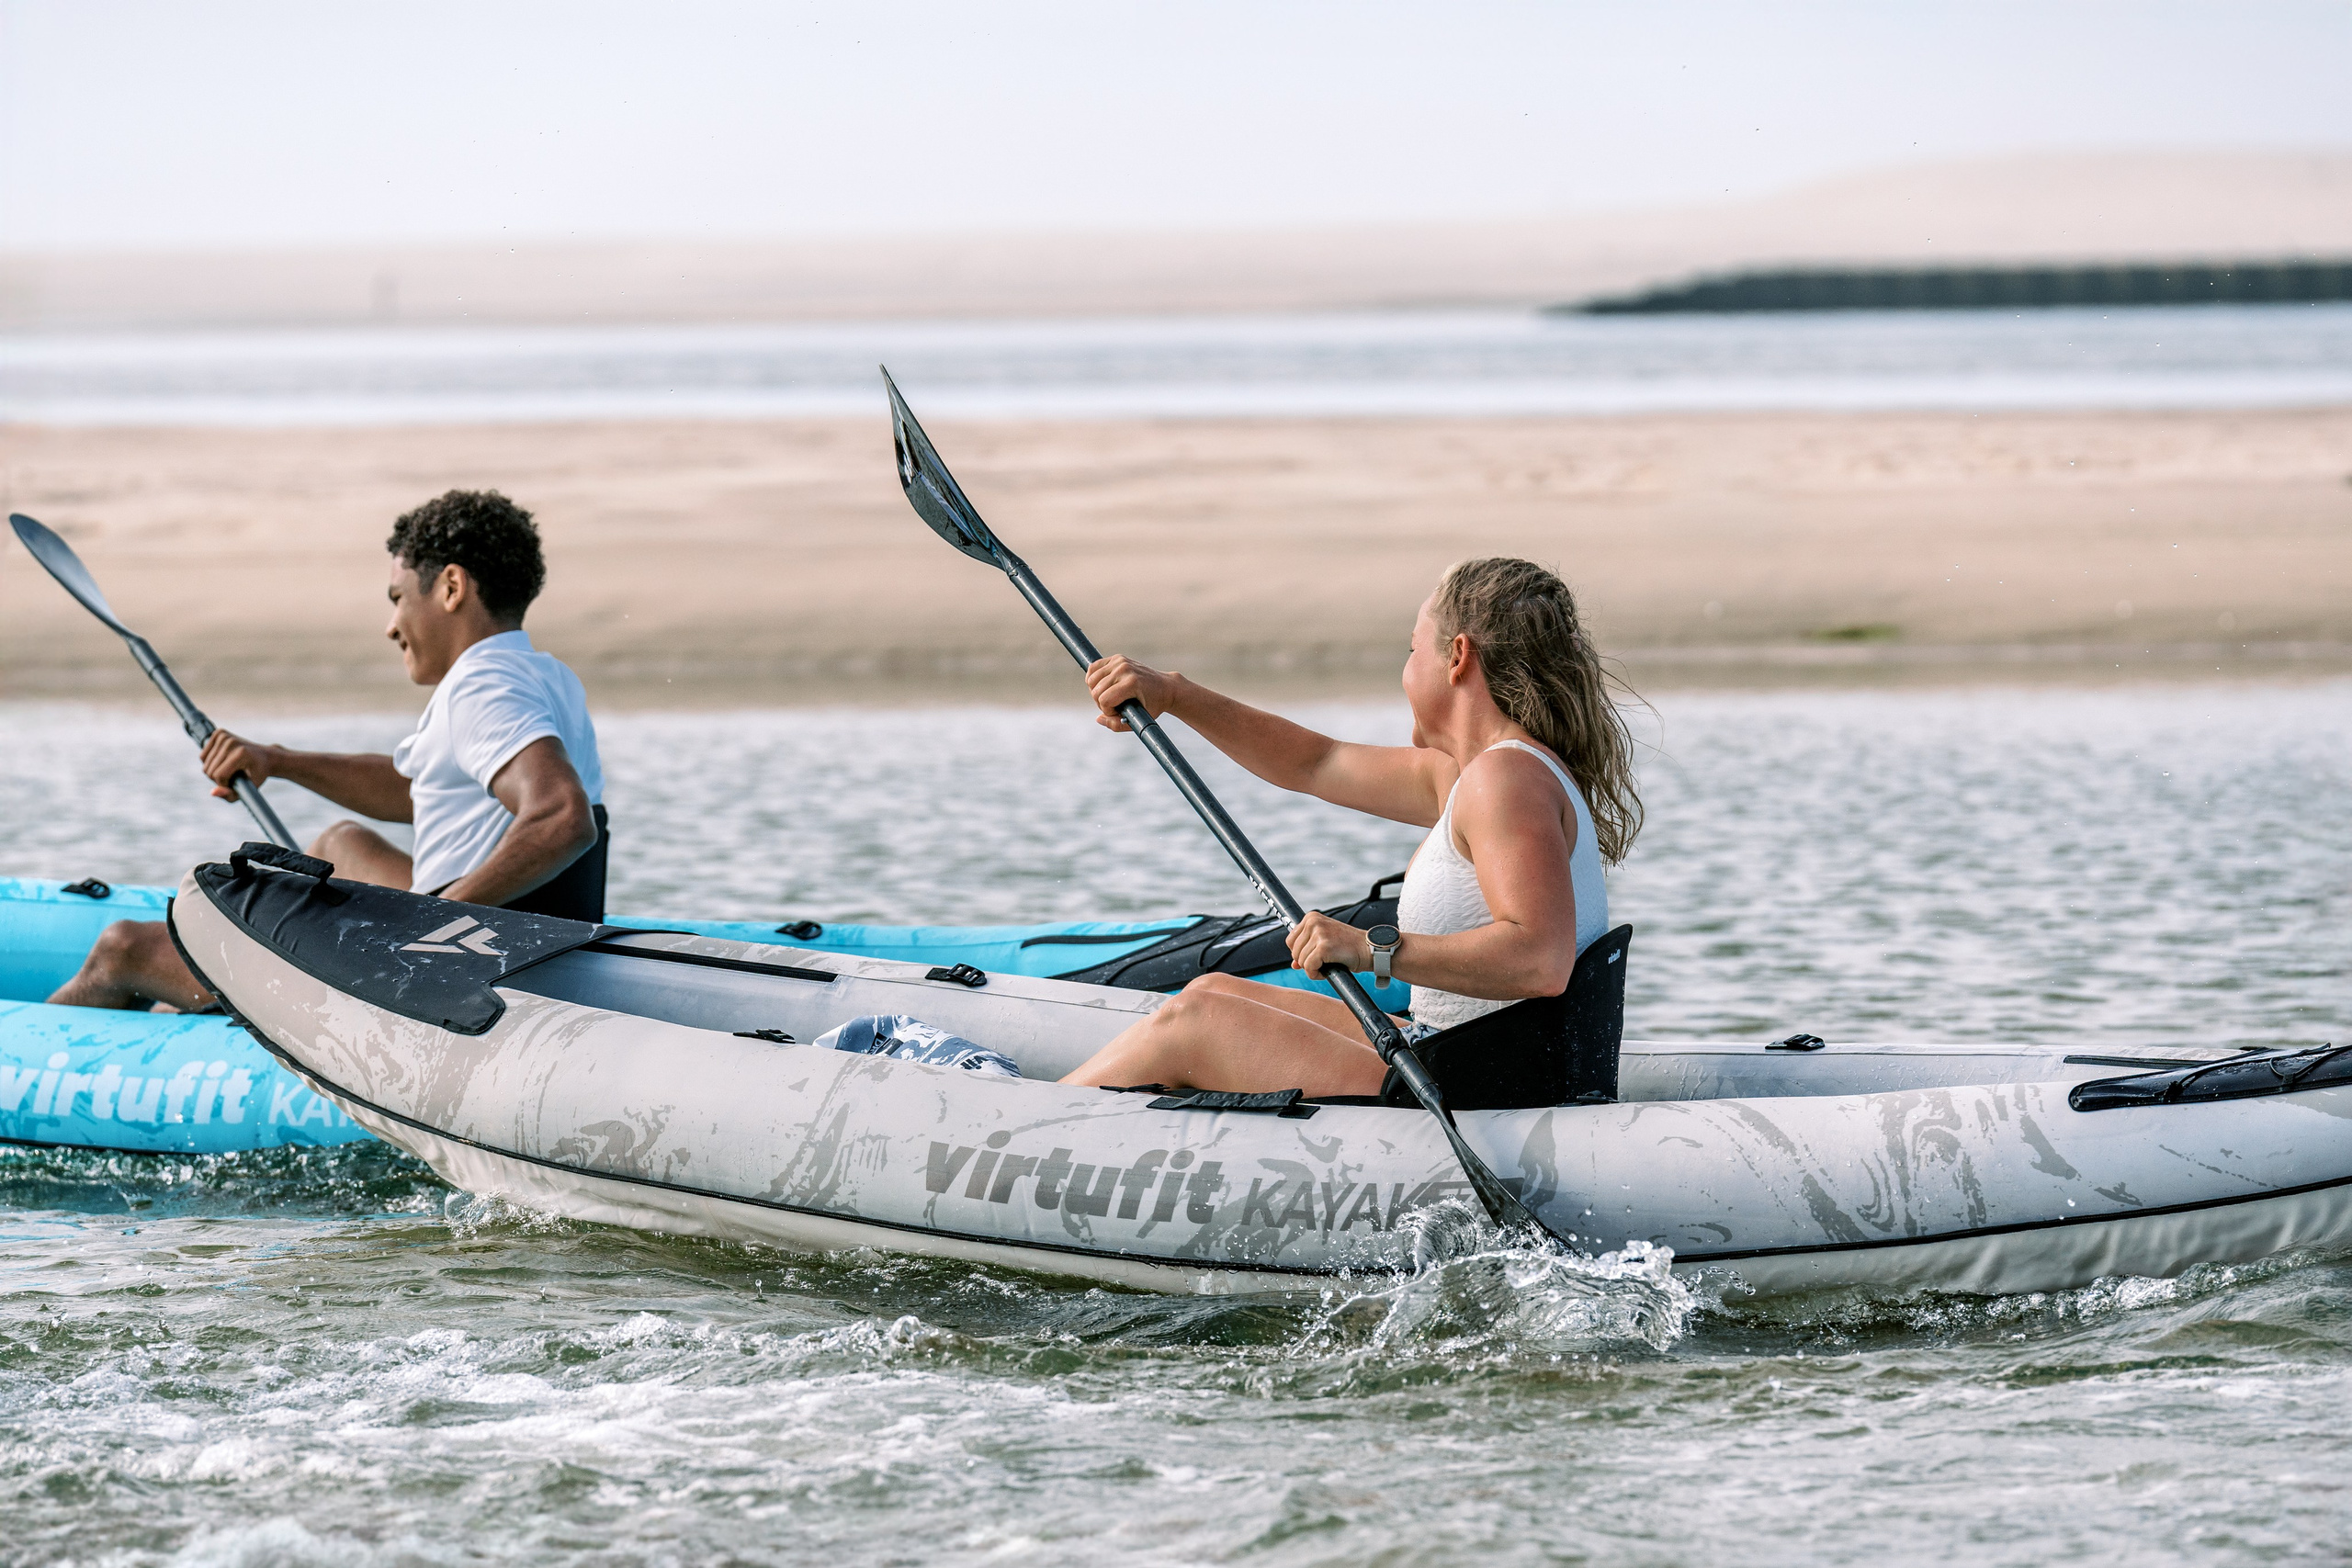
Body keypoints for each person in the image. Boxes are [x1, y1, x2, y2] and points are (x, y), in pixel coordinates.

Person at [1060, 557, 1640, 1098]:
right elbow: (1315, 763)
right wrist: (1175, 695)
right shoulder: (1479, 775)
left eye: (1412, 650)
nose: (1405, 671)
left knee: (1195, 1021)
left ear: (1457, 657)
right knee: (1211, 991)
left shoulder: (1503, 780)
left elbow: (1540, 959)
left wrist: (1368, 948)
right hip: (1463, 1056)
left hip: (1481, 1090)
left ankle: (1025, 1122)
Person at [50, 490, 607, 1011]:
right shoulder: (544, 676)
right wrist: (278, 762)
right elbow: (420, 791)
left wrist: (430, 929)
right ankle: (202, 999)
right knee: (343, 843)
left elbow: (561, 816)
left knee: (122, 948)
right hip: (518, 940)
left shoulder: (482, 686)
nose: (392, 627)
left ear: (452, 588)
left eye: (398, 599)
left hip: (460, 963)